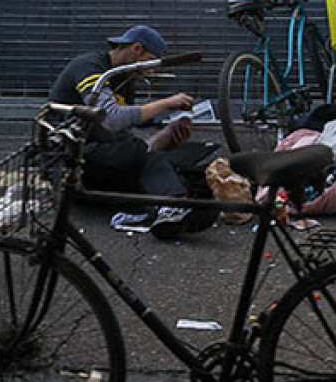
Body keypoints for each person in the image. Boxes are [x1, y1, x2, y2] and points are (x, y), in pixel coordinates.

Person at [49, 25, 214, 238]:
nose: (151, 71)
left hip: (96, 160)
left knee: (172, 170)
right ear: (136, 49)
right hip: (69, 158)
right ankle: (172, 206)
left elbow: (122, 138)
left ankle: (167, 216)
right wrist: (165, 103)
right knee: (140, 155)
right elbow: (111, 120)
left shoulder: (125, 80)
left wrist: (165, 136)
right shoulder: (90, 67)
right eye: (151, 62)